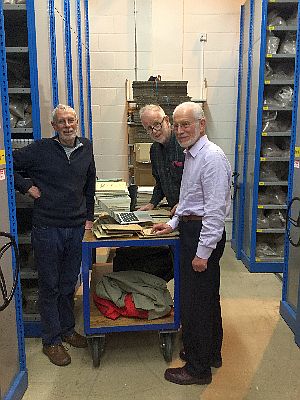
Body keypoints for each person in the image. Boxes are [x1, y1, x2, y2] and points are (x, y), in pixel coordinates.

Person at [152, 101, 231, 385]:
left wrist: (203, 252)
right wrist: (172, 223)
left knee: (196, 304)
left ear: (201, 124)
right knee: (206, 299)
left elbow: (214, 212)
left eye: (186, 124)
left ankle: (198, 369)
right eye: (176, 124)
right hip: (191, 230)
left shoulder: (212, 158)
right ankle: (210, 353)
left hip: (202, 236)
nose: (180, 130)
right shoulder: (191, 155)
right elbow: (188, 200)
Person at [13, 104, 96, 366]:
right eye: (62, 122)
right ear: (54, 126)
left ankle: (67, 329)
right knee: (49, 285)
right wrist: (26, 187)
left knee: (68, 284)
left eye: (71, 121)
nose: (67, 126)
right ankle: (51, 340)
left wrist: (89, 217)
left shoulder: (86, 146)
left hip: (75, 227)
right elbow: (6, 160)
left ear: (77, 122)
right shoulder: (40, 149)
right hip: (48, 227)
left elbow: (90, 183)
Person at [138, 104, 185, 216]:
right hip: (175, 213)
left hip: (194, 212)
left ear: (166, 120)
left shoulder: (184, 145)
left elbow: (196, 183)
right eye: (149, 128)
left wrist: (185, 203)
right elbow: (160, 183)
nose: (154, 131)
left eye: (157, 125)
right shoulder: (155, 150)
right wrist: (152, 203)